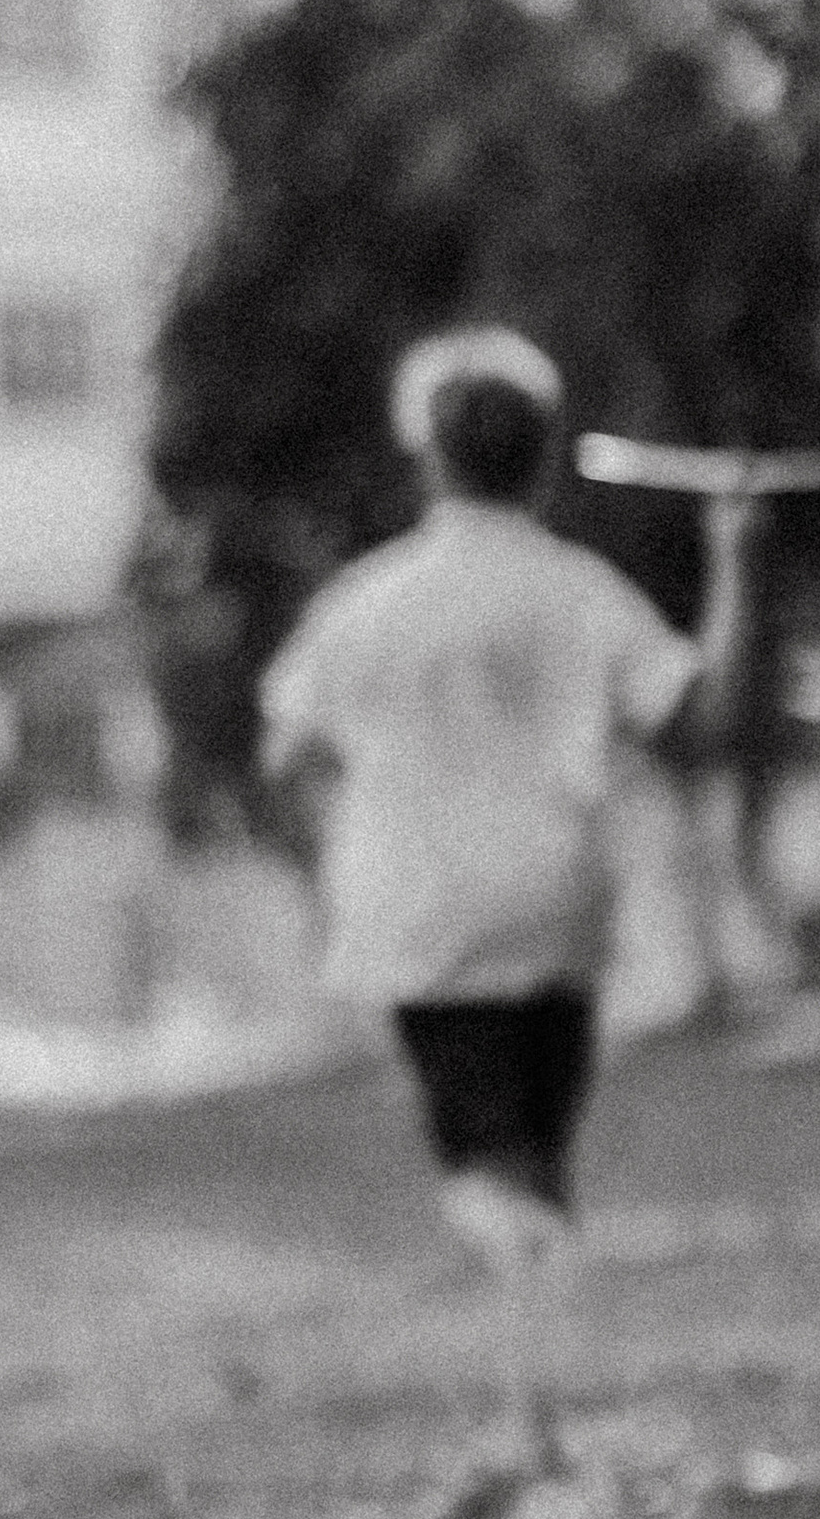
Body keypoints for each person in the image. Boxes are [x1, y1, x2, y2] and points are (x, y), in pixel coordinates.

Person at [259, 327, 737, 1277]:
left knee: (482, 1169)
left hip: (423, 918)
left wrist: (337, 853)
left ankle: (521, 1278)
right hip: (555, 908)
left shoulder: (369, 602)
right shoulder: (579, 592)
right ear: (546, 455)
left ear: (428, 456)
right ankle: (539, 1389)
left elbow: (287, 755)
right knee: (538, 1162)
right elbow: (696, 709)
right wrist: (734, 558)